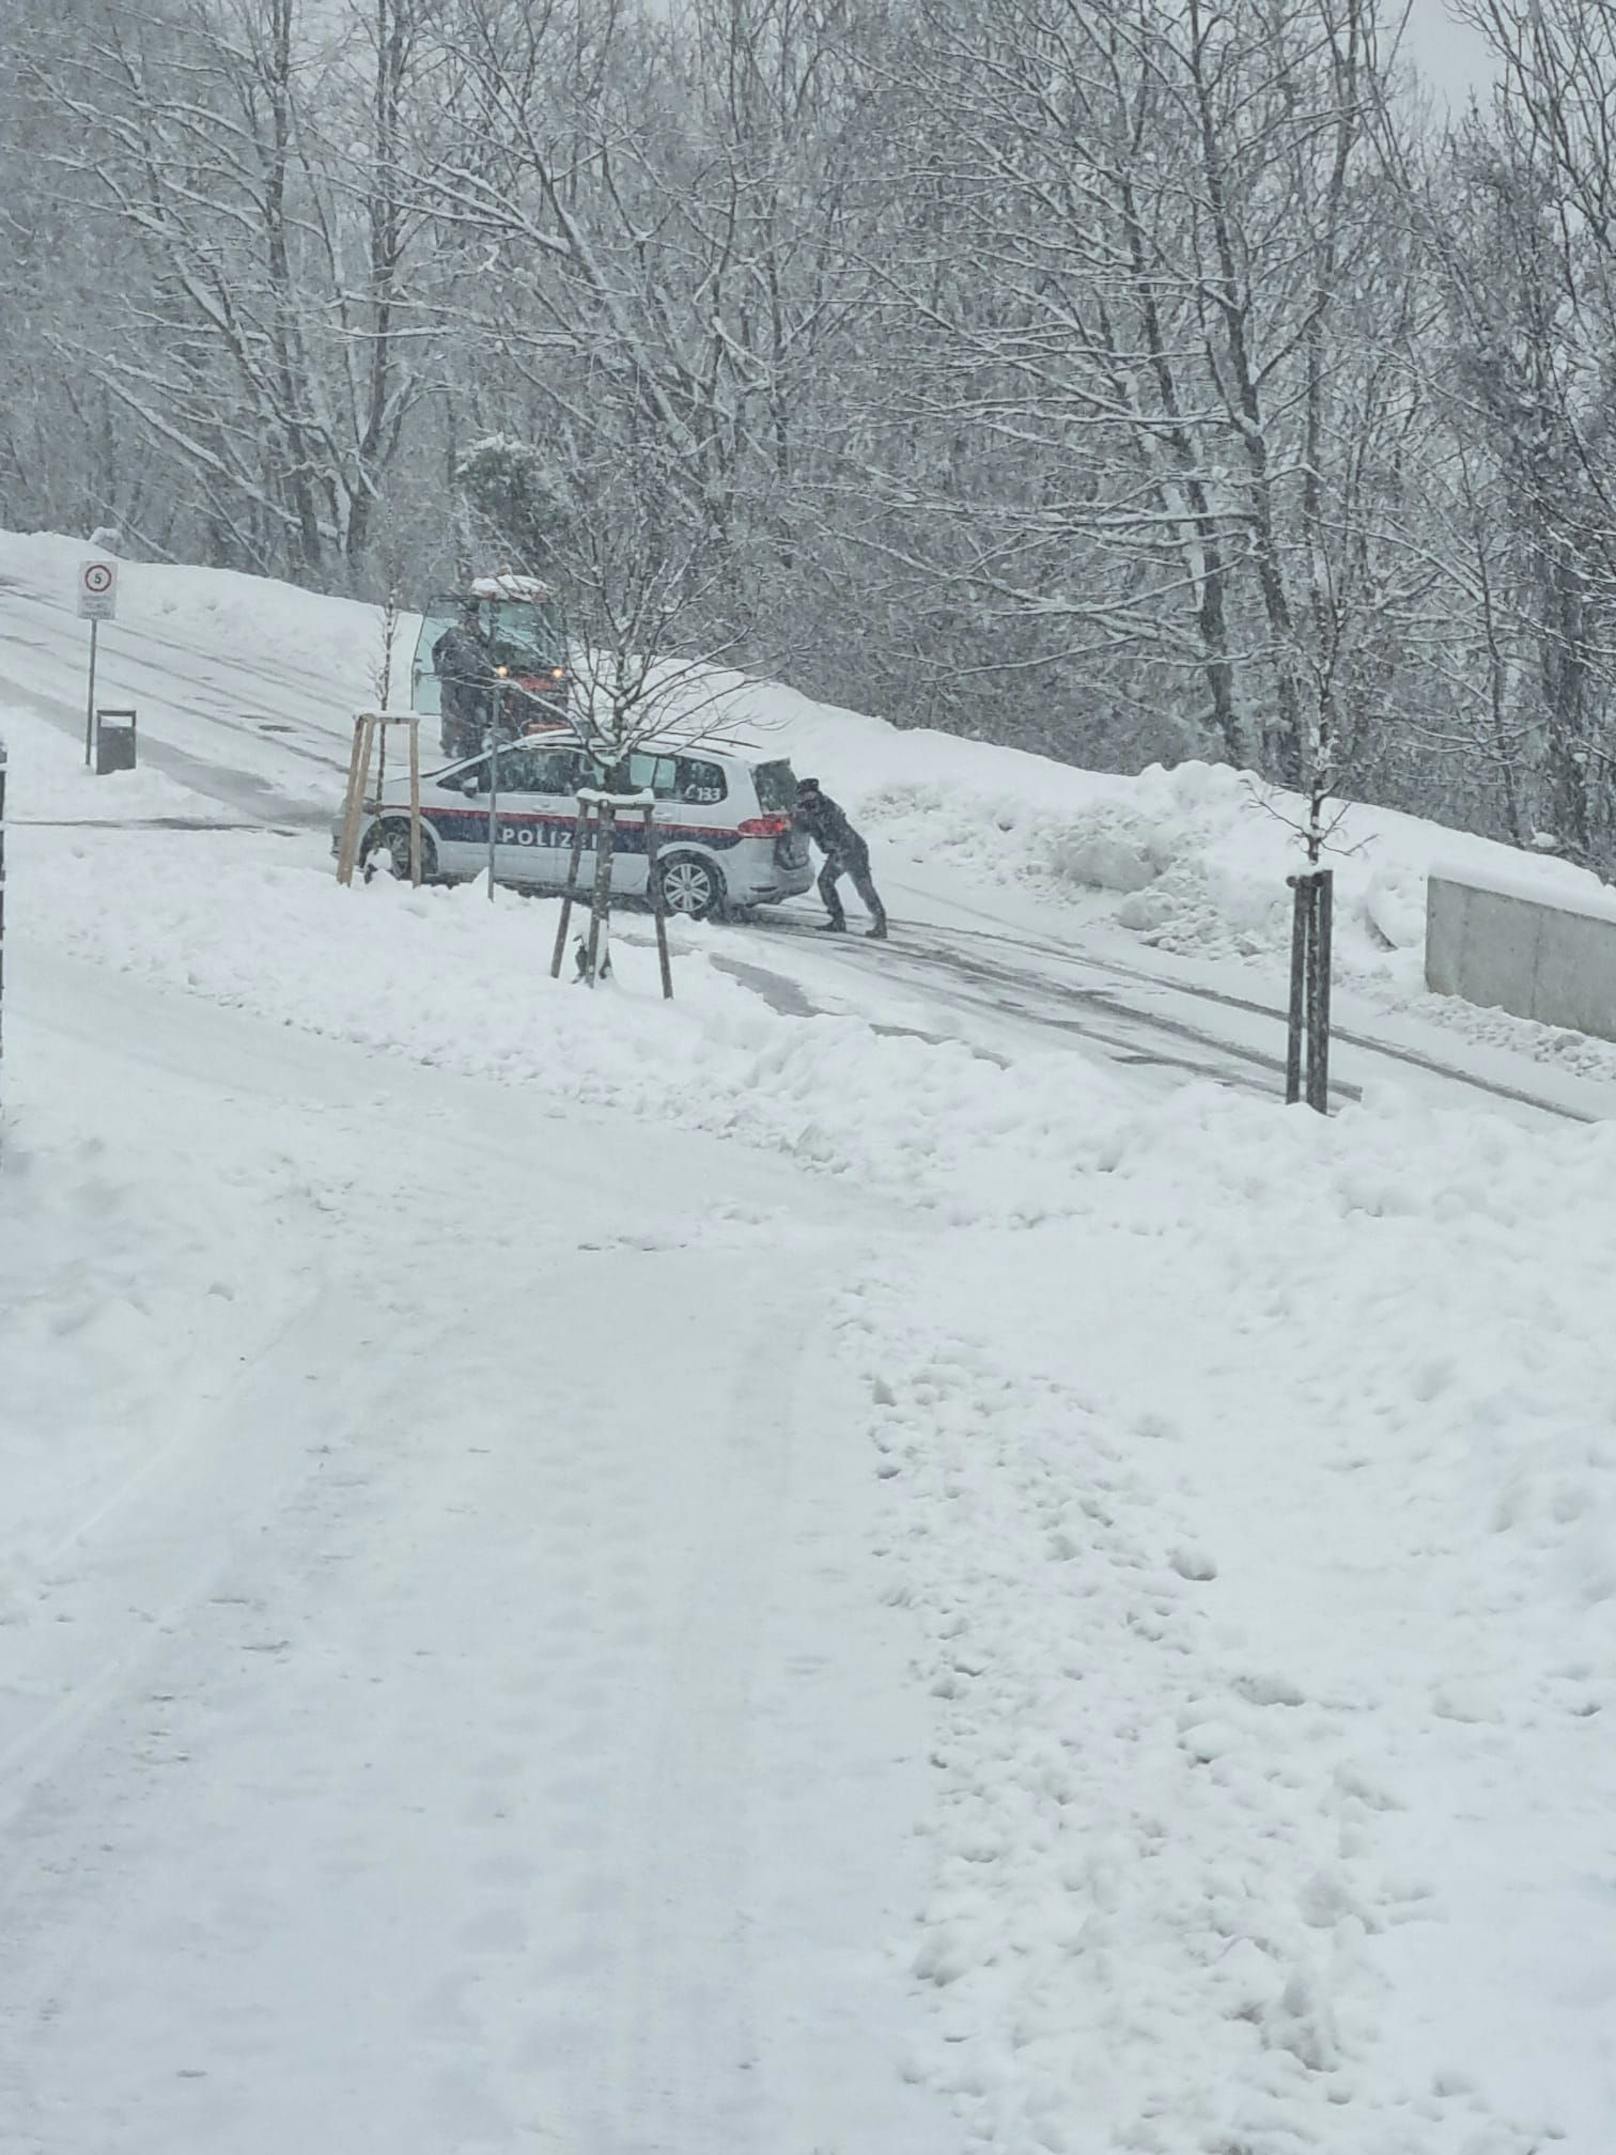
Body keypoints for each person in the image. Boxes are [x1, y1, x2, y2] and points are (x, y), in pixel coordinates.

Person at [794, 777, 888, 938]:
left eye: (805, 794)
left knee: (862, 886)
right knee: (827, 882)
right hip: (841, 850)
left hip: (851, 850)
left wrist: (837, 850)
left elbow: (831, 829)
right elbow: (807, 825)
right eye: (801, 795)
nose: (802, 798)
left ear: (813, 793)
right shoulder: (811, 808)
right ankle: (839, 920)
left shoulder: (825, 808)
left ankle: (879, 923)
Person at [432, 603, 498, 758]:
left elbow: (490, 652)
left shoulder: (480, 636)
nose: (474, 622)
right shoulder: (453, 634)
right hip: (455, 682)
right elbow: (436, 650)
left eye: (476, 619)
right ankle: (450, 745)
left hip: (475, 683)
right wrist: (442, 669)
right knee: (454, 714)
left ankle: (471, 746)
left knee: (476, 716)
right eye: (471, 619)